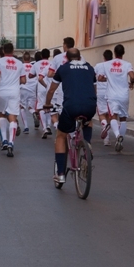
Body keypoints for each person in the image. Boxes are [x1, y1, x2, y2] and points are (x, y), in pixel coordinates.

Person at [44, 48, 97, 185]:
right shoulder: (89, 68)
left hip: (71, 106)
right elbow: (94, 90)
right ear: (80, 57)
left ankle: (61, 174)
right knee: (88, 121)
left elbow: (51, 89)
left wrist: (48, 103)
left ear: (66, 58)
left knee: (61, 135)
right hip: (90, 105)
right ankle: (87, 146)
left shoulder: (63, 68)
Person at [101, 44, 134, 152]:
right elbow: (132, 76)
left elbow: (100, 77)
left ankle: (117, 136)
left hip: (112, 96)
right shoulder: (127, 64)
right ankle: (121, 140)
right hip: (124, 95)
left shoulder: (106, 64)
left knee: (113, 117)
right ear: (123, 53)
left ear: (114, 53)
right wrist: (132, 83)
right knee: (123, 119)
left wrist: (106, 79)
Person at [0, 43, 26, 157]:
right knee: (13, 118)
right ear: (13, 50)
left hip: (2, 91)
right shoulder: (19, 63)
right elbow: (23, 80)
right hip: (14, 92)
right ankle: (11, 143)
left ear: (3, 51)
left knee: (1, 115)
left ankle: (4, 141)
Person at [47, 38, 75, 129]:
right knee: (73, 111)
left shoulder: (57, 58)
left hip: (62, 89)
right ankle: (74, 132)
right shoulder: (80, 57)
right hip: (76, 88)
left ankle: (62, 131)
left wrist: (61, 74)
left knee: (61, 112)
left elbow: (50, 74)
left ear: (65, 45)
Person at [31, 49, 54, 138]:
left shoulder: (36, 64)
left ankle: (44, 128)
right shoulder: (52, 63)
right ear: (49, 55)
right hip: (51, 87)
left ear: (41, 56)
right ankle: (48, 125)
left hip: (41, 87)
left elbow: (30, 75)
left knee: (41, 108)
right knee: (49, 106)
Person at [94, 50, 114, 147]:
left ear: (104, 57)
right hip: (111, 92)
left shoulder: (98, 66)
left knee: (102, 114)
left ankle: (105, 133)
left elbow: (93, 77)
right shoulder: (114, 66)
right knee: (109, 114)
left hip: (100, 92)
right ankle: (107, 139)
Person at [20, 52, 38, 134]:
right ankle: (34, 112)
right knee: (31, 107)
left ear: (23, 59)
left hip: (23, 89)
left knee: (22, 107)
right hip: (33, 89)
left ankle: (26, 127)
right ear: (30, 59)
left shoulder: (21, 66)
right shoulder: (33, 66)